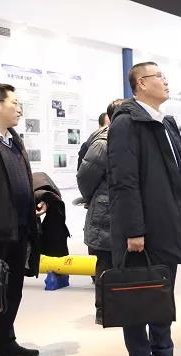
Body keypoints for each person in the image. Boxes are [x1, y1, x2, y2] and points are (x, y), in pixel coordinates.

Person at [107, 62, 181, 356]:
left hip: (168, 223)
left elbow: (179, 176)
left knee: (162, 294)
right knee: (137, 296)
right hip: (143, 229)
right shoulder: (126, 123)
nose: (165, 81)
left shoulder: (166, 122)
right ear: (141, 84)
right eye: (158, 76)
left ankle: (163, 353)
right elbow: (124, 181)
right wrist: (134, 229)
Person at [0, 83, 47, 356]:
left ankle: (4, 343)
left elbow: (17, 179)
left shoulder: (14, 140)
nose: (20, 109)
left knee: (12, 290)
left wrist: (34, 199)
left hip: (19, 228)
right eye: (15, 102)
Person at [77, 99, 123, 324]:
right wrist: (94, 198)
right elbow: (85, 176)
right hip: (105, 212)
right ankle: (103, 310)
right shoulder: (103, 143)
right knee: (105, 261)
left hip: (120, 212)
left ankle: (121, 306)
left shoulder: (127, 139)